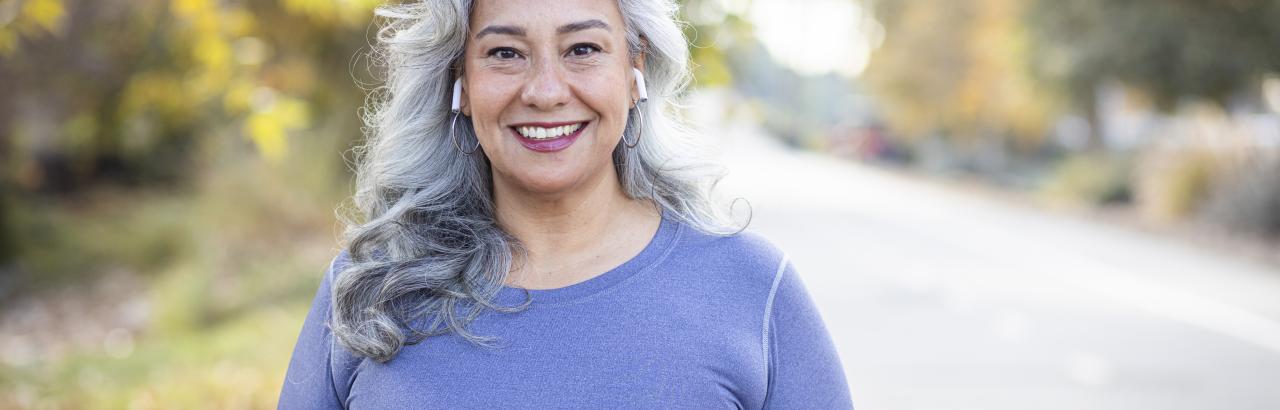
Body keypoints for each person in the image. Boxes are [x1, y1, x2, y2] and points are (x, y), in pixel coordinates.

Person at [277, 0, 853, 408]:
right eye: (505, 53)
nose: (546, 91)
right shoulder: (371, 289)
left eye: (582, 48)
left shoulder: (750, 286)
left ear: (635, 71)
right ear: (462, 82)